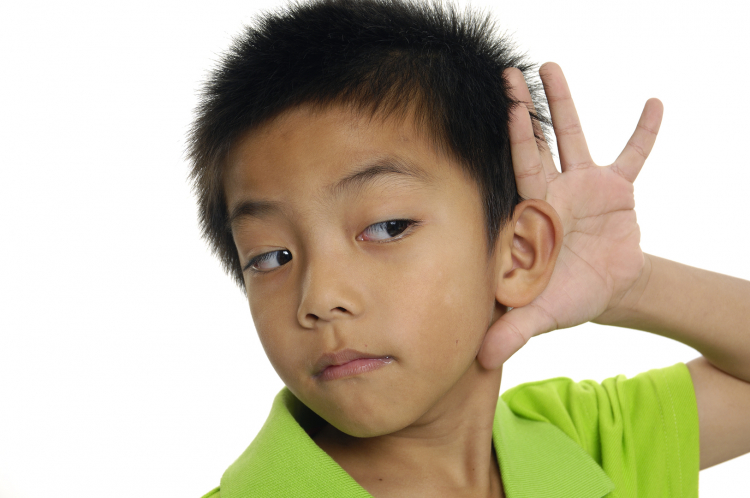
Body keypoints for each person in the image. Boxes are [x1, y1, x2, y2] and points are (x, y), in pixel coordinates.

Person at [188, 0, 750, 496]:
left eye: (386, 227)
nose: (321, 297)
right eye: (270, 256)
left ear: (520, 252)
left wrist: (631, 285)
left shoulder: (585, 440)